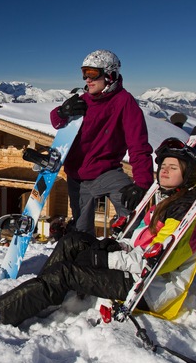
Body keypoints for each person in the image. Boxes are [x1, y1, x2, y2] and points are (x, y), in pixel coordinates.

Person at [0, 139, 196, 326]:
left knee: (66, 272)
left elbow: (153, 262)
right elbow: (139, 245)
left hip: (148, 288)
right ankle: (42, 297)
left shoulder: (187, 217)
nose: (164, 171)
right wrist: (111, 247)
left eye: (173, 167)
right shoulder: (165, 200)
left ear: (187, 176)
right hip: (132, 272)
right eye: (163, 165)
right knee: (73, 241)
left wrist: (103, 258)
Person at [50, 49, 154, 235]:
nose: (87, 80)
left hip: (107, 172)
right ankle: (86, 259)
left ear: (110, 75)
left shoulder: (125, 103)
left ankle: (135, 248)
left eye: (92, 74)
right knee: (81, 231)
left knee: (131, 213)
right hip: (77, 177)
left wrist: (142, 184)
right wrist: (60, 113)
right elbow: (57, 123)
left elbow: (138, 146)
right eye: (84, 73)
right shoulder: (82, 101)